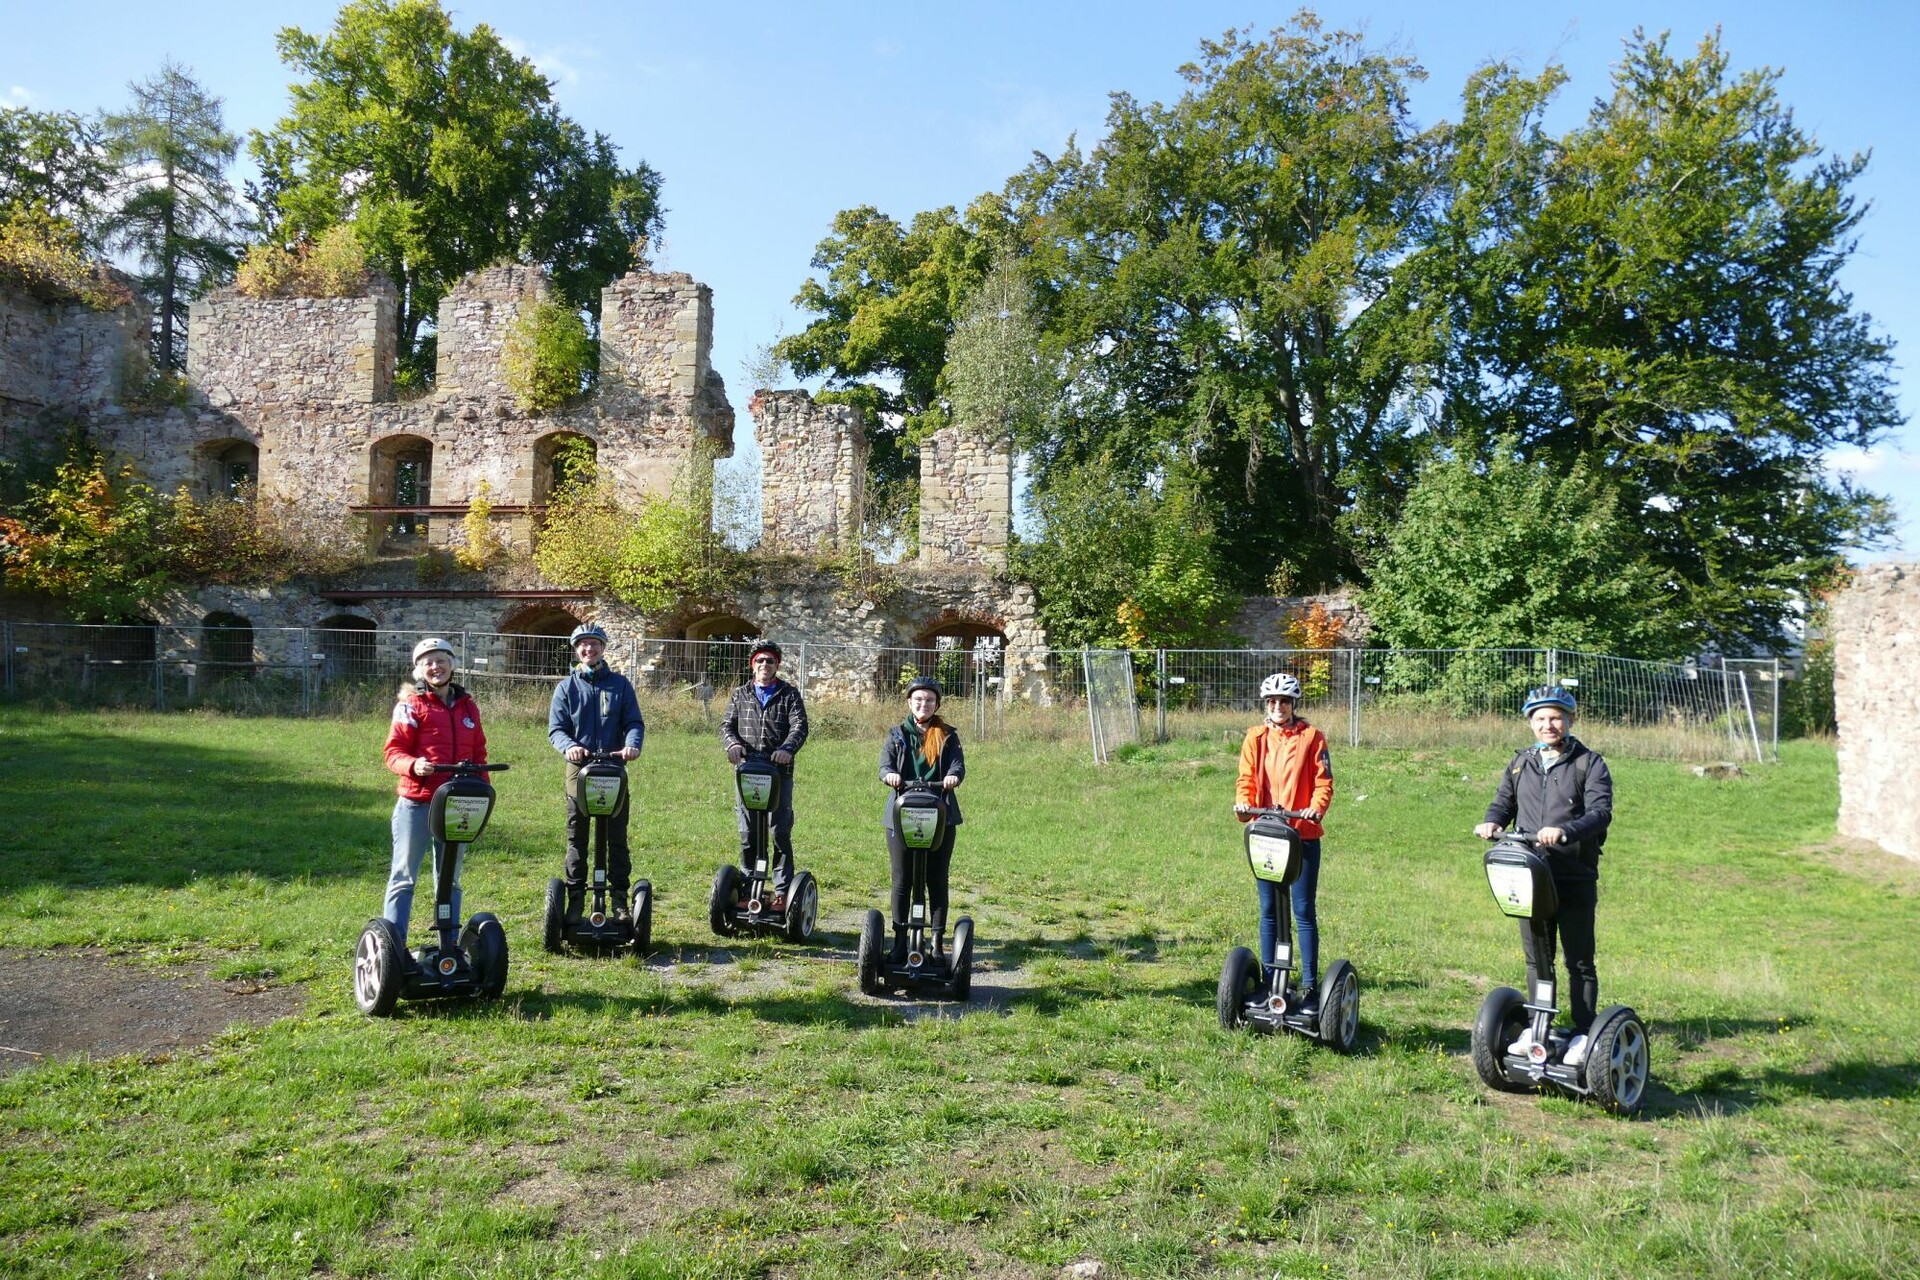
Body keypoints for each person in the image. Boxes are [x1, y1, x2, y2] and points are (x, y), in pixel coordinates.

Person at [1474, 685, 1614, 1066]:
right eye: (1540, 719)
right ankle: (1542, 1025)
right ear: (1531, 723)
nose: (1548, 725)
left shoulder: (1590, 763)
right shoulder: (1522, 762)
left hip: (1574, 874)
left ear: (1569, 720)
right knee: (1537, 957)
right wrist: (1492, 822)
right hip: (1530, 874)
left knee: (1578, 959)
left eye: (1555, 718)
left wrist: (1566, 831)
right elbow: (1504, 802)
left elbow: (1601, 812)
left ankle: (1585, 1032)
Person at [1234, 672, 1335, 1009]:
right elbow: (1246, 778)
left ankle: (1308, 987)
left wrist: (1315, 809)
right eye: (1272, 702)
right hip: (1268, 833)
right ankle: (1268, 981)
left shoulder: (1312, 738)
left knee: (1303, 910)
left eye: (1284, 701)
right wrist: (1245, 804)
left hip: (1302, 834)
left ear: (1294, 705)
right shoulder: (1256, 737)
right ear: (1266, 704)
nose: (1278, 707)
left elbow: (1323, 783)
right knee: (1268, 910)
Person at [382, 636, 488, 939]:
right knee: (404, 877)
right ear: (419, 670)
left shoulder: (468, 707)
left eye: (441, 660)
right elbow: (393, 752)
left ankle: (449, 947)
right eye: (428, 662)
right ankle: (394, 947)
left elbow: (479, 754)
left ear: (452, 664)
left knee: (450, 880)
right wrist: (414, 765)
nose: (435, 666)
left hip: (457, 804)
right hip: (418, 801)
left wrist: (481, 798)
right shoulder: (411, 706)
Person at [548, 621, 645, 921]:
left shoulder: (620, 685)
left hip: (613, 766)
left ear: (603, 648)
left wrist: (632, 745)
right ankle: (575, 898)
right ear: (577, 650)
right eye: (583, 645)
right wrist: (569, 747)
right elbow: (556, 729)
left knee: (616, 836)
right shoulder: (566, 687)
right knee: (577, 836)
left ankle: (618, 899)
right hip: (580, 768)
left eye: (594, 644)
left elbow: (633, 722)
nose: (588, 649)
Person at [879, 675, 967, 961]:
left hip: (941, 814)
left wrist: (953, 776)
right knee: (902, 879)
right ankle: (900, 941)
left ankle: (937, 943)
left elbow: (957, 765)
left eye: (929, 700)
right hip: (902, 815)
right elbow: (885, 765)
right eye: (918, 699)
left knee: (936, 879)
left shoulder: (948, 735)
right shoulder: (896, 734)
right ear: (909, 702)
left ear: (936, 704)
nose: (923, 704)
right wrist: (890, 775)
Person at [719, 639, 809, 905]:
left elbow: (800, 727)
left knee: (779, 830)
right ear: (752, 664)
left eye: (770, 661)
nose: (764, 665)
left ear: (776, 665)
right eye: (760, 660)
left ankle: (782, 891)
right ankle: (748, 888)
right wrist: (732, 744)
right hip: (747, 770)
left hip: (779, 771)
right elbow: (726, 725)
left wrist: (787, 749)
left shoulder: (789, 693)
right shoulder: (740, 693)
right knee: (748, 832)